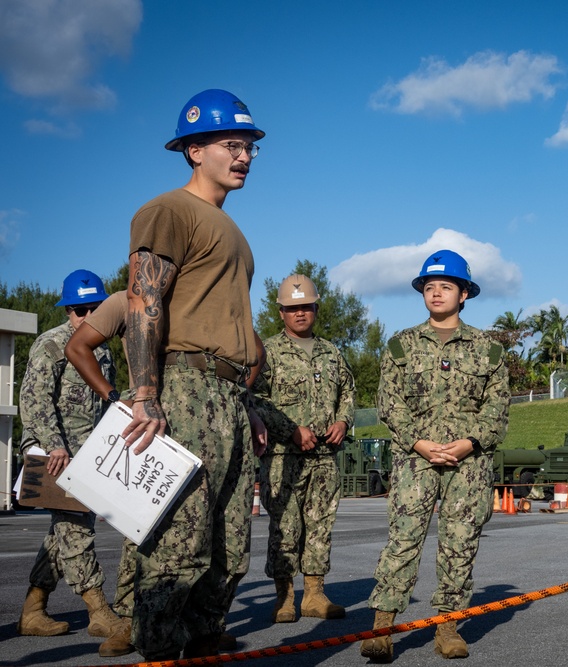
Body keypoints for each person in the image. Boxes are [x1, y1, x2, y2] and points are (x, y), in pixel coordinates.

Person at [119, 88, 267, 661]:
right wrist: (146, 394)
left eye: (250, 147)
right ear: (193, 150)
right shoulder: (168, 211)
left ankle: (204, 641)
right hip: (183, 390)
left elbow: (230, 327)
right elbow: (142, 303)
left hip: (228, 396)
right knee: (180, 544)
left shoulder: (236, 236)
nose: (245, 157)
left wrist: (248, 405)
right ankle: (158, 650)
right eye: (233, 145)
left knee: (231, 544)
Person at [64, 291, 265, 657]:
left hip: (210, 415)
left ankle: (195, 624)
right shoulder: (129, 300)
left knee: (210, 534)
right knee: (144, 535)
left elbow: (253, 354)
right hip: (150, 418)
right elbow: (78, 347)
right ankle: (130, 622)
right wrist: (114, 397)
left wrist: (245, 404)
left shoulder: (205, 301)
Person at [361, 250, 509, 662]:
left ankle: (448, 626)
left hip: (469, 461)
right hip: (416, 458)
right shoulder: (400, 346)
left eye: (446, 286)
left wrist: (468, 442)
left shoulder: (488, 350)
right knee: (403, 539)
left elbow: (497, 408)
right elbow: (388, 403)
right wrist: (420, 443)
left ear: (464, 294)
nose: (437, 293)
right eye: (430, 287)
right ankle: (382, 628)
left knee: (460, 542)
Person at [16, 270, 121, 639]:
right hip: (56, 453)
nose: (88, 316)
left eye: (96, 308)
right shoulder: (50, 344)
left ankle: (33, 609)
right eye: (80, 309)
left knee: (61, 533)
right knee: (74, 530)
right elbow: (33, 399)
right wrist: (53, 444)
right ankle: (98, 609)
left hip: (87, 455)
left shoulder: (102, 348)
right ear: (67, 311)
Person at [252, 274, 355, 624]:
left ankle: (314, 593)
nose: (300, 314)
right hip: (283, 457)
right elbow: (255, 399)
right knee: (285, 527)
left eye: (306, 307)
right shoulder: (266, 352)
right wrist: (291, 430)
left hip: (324, 458)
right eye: (292, 308)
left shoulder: (332, 352)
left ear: (315, 308)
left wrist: (343, 421)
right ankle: (284, 597)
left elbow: (348, 392)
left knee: (320, 526)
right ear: (281, 312)